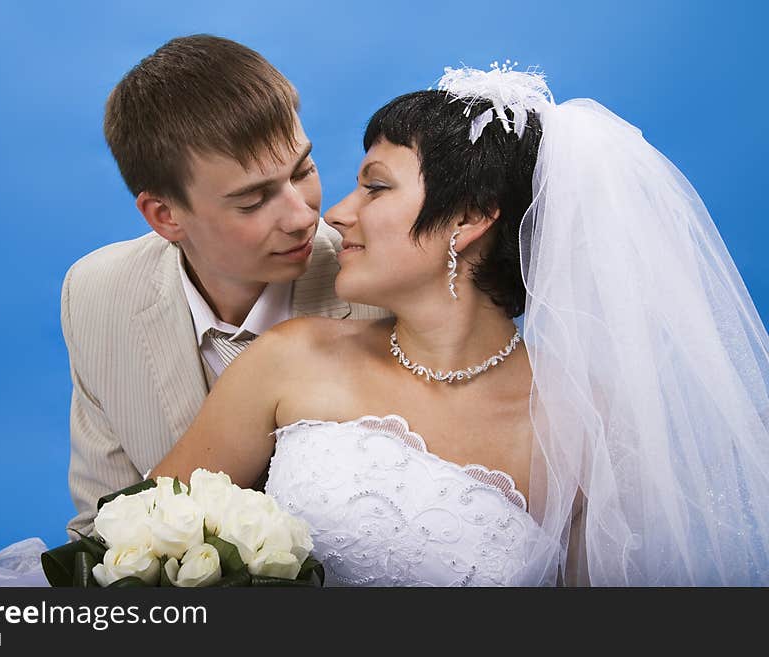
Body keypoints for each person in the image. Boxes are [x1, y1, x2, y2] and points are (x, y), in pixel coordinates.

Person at [151, 64, 769, 586]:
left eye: (375, 187)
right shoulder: (290, 358)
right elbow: (133, 546)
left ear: (469, 217)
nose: (336, 214)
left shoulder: (582, 426)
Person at [61, 35, 388, 539]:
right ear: (165, 216)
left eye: (304, 171)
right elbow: (99, 533)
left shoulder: (381, 293)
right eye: (253, 201)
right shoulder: (96, 294)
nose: (304, 217)